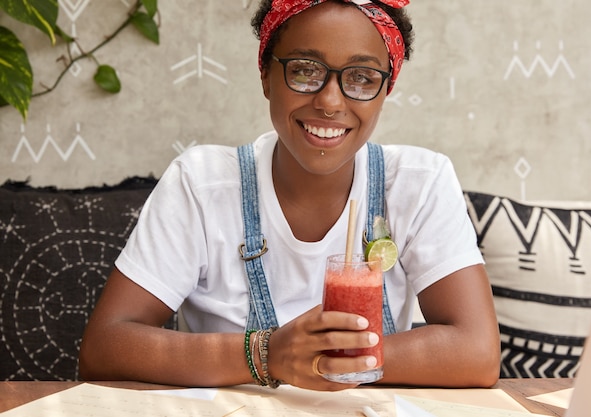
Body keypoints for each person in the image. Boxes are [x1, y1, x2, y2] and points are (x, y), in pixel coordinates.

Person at [79, 0, 501, 391]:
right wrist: (266, 356)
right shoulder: (202, 184)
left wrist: (329, 358)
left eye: (361, 78)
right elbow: (103, 349)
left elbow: (478, 353)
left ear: (385, 90)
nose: (330, 101)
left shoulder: (416, 184)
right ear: (265, 74)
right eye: (304, 70)